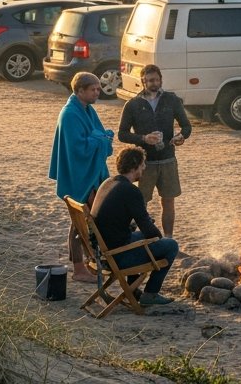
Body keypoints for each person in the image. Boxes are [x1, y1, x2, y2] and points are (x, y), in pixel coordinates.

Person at [90, 147, 181, 306]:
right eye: (143, 164)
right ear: (135, 166)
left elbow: (115, 218)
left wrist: (138, 225)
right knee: (171, 245)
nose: (145, 168)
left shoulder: (109, 182)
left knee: (140, 236)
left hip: (101, 251)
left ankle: (132, 289)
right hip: (116, 256)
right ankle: (150, 294)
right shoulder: (131, 191)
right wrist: (159, 240)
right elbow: (149, 230)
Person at [48, 72, 114, 279]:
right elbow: (78, 148)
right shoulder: (70, 114)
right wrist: (100, 139)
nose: (98, 92)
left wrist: (99, 137)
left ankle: (85, 262)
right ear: (80, 91)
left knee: (86, 221)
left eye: (98, 88)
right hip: (78, 176)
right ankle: (78, 269)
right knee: (79, 223)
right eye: (93, 89)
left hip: (89, 173)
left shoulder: (87, 110)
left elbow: (101, 134)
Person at [117, 64, 192, 237]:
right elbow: (122, 134)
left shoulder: (171, 100)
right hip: (144, 163)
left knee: (168, 201)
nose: (154, 83)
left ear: (161, 80)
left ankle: (168, 238)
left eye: (157, 80)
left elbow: (186, 126)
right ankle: (135, 238)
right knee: (140, 203)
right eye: (150, 80)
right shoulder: (133, 105)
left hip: (168, 159)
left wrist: (181, 137)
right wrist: (143, 138)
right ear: (143, 81)